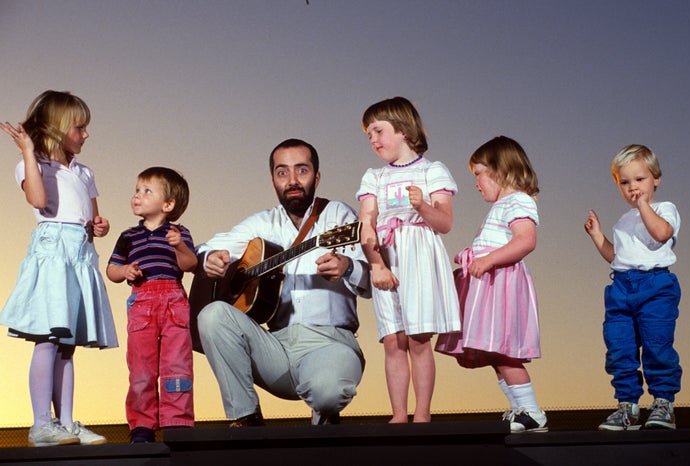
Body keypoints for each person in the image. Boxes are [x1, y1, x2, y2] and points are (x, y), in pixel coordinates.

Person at [195, 138, 370, 426]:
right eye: (282, 172)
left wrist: (348, 266)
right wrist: (210, 257)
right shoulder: (263, 223)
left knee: (328, 393)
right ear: (273, 179)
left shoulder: (338, 215)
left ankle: (323, 413)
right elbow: (208, 247)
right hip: (275, 348)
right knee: (213, 315)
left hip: (329, 343)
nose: (292, 181)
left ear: (317, 176)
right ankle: (246, 417)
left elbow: (373, 279)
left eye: (301, 170)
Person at [0, 90, 117, 447]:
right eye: (79, 128)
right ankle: (41, 424)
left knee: (67, 345)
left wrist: (98, 226)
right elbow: (38, 201)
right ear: (57, 128)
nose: (85, 135)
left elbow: (92, 217)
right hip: (53, 253)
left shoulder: (84, 172)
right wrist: (27, 153)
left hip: (79, 256)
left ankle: (66, 423)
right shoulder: (33, 164)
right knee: (48, 340)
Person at [356, 96, 460, 423]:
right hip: (386, 256)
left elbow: (444, 223)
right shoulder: (374, 176)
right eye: (368, 135)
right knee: (392, 339)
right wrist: (377, 265)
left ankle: (422, 414)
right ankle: (398, 414)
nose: (373, 140)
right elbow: (366, 223)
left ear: (402, 130)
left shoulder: (433, 170)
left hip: (419, 256)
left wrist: (422, 206)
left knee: (417, 339)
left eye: (378, 131)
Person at [436, 135, 547, 433]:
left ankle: (532, 412)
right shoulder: (503, 205)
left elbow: (526, 240)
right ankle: (521, 410)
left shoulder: (518, 201)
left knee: (504, 352)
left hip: (502, 285)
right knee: (496, 354)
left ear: (500, 170)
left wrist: (487, 261)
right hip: (490, 286)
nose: (476, 182)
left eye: (479, 174)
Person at [584, 144, 682, 431]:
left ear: (656, 179)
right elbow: (616, 257)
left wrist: (643, 206)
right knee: (619, 347)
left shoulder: (665, 209)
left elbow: (662, 233)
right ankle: (627, 407)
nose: (632, 188)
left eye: (639, 180)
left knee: (657, 345)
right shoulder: (623, 222)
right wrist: (597, 235)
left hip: (656, 286)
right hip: (621, 289)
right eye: (624, 183)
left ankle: (663, 403)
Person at [106, 167, 197, 443]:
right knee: (142, 369)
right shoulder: (128, 236)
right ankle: (142, 427)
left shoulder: (179, 232)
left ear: (168, 204)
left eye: (147, 191)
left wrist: (180, 246)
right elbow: (112, 269)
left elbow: (190, 264)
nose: (138, 196)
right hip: (142, 301)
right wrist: (125, 273)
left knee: (177, 365)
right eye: (137, 190)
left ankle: (177, 423)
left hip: (174, 301)